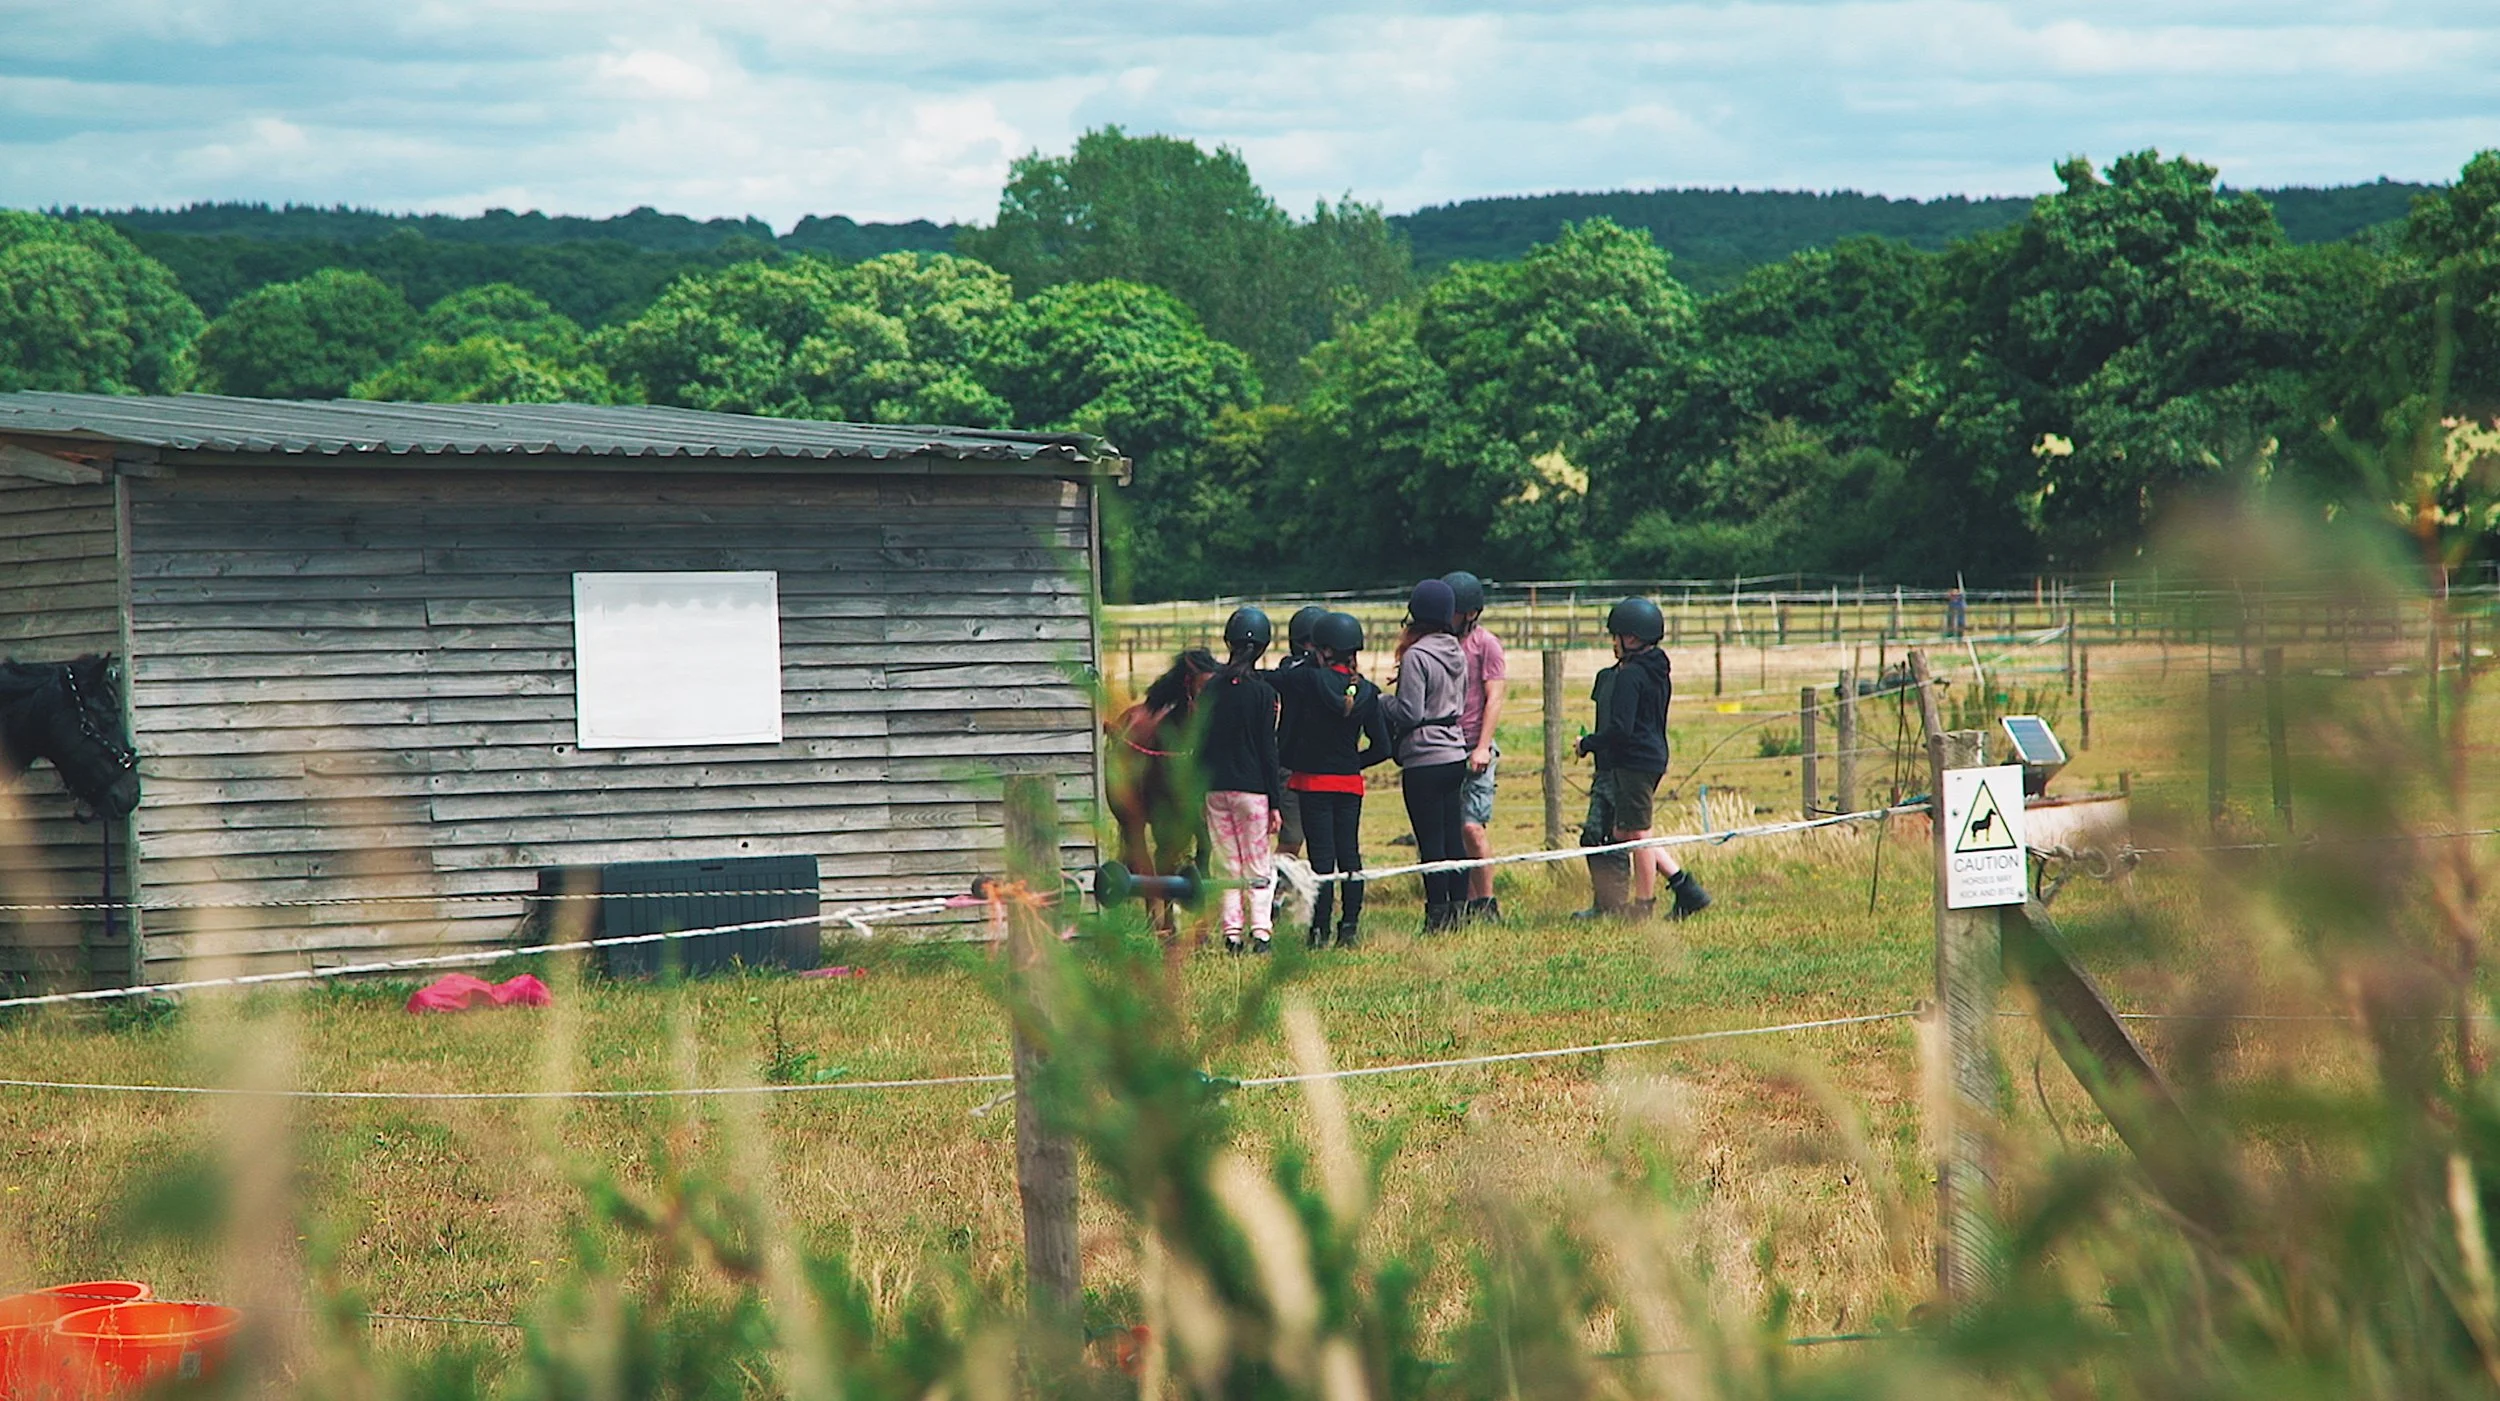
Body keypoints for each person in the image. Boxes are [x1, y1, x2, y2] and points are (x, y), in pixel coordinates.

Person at [1575, 596, 1710, 920]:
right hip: (1651, 756)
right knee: (1626, 833)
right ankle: (1684, 887)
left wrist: (1588, 743)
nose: (1613, 643)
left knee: (1638, 835)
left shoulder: (1629, 676)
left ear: (1632, 638)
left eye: (1616, 636)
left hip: (1634, 762)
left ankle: (1645, 904)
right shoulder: (1657, 669)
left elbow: (1620, 729)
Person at [1275, 610, 1390, 948]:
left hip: (1312, 784)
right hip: (1350, 785)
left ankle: (1318, 930)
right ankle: (1350, 927)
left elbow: (1271, 679)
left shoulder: (1308, 681)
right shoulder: (1367, 691)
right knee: (1350, 856)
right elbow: (1383, 747)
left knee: (1322, 860)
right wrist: (1353, 763)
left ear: (1323, 650)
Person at [1106, 648, 1218, 934]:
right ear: (1189, 688)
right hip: (1143, 790)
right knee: (1141, 840)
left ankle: (1190, 903)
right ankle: (1158, 917)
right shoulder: (1157, 730)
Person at [1382, 578, 1470, 934]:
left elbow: (1409, 713)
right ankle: (1458, 912)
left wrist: (1380, 701)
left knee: (1430, 841)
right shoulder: (1456, 650)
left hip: (1424, 755)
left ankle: (1436, 917)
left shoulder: (1417, 656)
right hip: (1455, 751)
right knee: (1453, 837)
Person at [1199, 606, 1284, 953]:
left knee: (1227, 864)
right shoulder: (1263, 693)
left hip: (1215, 788)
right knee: (1257, 862)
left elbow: (1200, 741)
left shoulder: (1210, 690)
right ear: (1263, 646)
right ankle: (1261, 933)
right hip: (1253, 789)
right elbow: (1268, 749)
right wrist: (1276, 802)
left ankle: (1231, 934)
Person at [1441, 570, 1508, 923]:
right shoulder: (1439, 644)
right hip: (1445, 748)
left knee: (1472, 827)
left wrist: (1482, 747)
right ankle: (1463, 902)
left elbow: (1494, 697)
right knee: (1452, 828)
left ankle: (1486, 901)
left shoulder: (1486, 645)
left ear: (1469, 613)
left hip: (1473, 745)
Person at [1271, 604, 1331, 860]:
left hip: (1313, 764)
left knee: (1312, 837)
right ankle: (1275, 892)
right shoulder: (1294, 673)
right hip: (1292, 764)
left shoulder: (1317, 673)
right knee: (1292, 838)